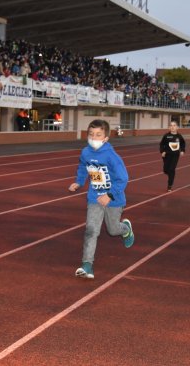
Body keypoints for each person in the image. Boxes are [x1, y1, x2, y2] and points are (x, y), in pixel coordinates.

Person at [68, 119, 134, 279]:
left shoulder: (112, 156)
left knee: (113, 230)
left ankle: (125, 229)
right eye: (91, 134)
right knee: (91, 230)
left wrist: (109, 195)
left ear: (105, 138)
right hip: (94, 198)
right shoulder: (86, 152)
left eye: (98, 135)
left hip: (114, 200)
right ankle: (87, 265)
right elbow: (83, 167)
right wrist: (79, 181)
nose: (93, 137)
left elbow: (123, 178)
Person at [159, 121, 186, 191]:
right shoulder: (166, 136)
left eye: (174, 125)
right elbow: (161, 144)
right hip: (167, 155)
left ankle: (169, 186)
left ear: (177, 127)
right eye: (171, 125)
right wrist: (162, 151)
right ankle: (170, 174)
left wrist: (182, 150)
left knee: (172, 169)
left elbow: (183, 144)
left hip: (175, 155)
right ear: (169, 127)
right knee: (165, 170)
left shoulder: (179, 136)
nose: (172, 127)